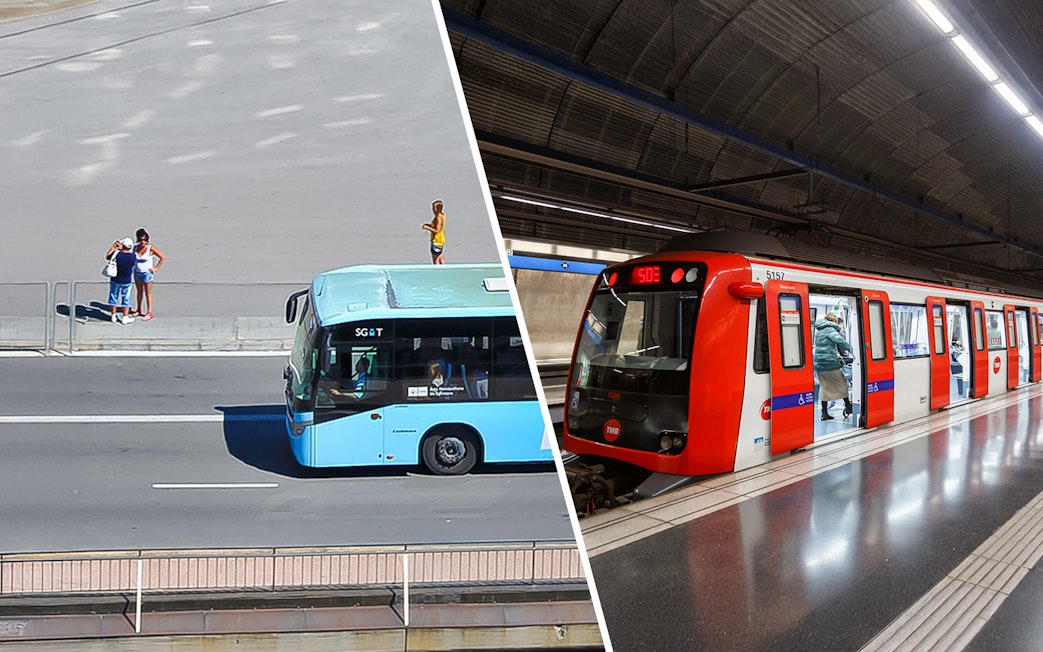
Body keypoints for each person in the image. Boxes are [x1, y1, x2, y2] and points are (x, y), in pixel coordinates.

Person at [814, 312, 852, 420]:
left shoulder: (819, 331)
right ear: (834, 321)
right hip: (829, 363)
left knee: (824, 387)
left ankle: (824, 412)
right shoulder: (830, 329)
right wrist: (850, 348)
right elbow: (839, 340)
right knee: (842, 384)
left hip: (819, 364)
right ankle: (848, 406)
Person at [131, 227, 165, 321]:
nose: (143, 242)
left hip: (147, 273)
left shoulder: (151, 248)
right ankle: (138, 309)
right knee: (139, 292)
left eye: (145, 240)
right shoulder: (135, 248)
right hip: (137, 272)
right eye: (141, 240)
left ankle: (149, 312)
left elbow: (162, 257)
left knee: (148, 292)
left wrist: (156, 268)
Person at [104, 237, 138, 324]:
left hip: (115, 279)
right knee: (126, 298)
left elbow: (108, 256)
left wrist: (114, 247)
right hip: (127, 280)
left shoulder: (117, 254)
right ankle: (125, 317)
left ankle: (113, 315)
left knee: (113, 296)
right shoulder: (133, 257)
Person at [421, 199, 446, 264]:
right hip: (440, 240)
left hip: (436, 240)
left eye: (434, 208)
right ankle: (445, 270)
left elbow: (437, 230)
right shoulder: (441, 216)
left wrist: (427, 228)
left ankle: (438, 272)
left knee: (436, 259)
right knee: (440, 257)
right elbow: (437, 226)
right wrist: (429, 225)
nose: (433, 210)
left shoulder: (438, 218)